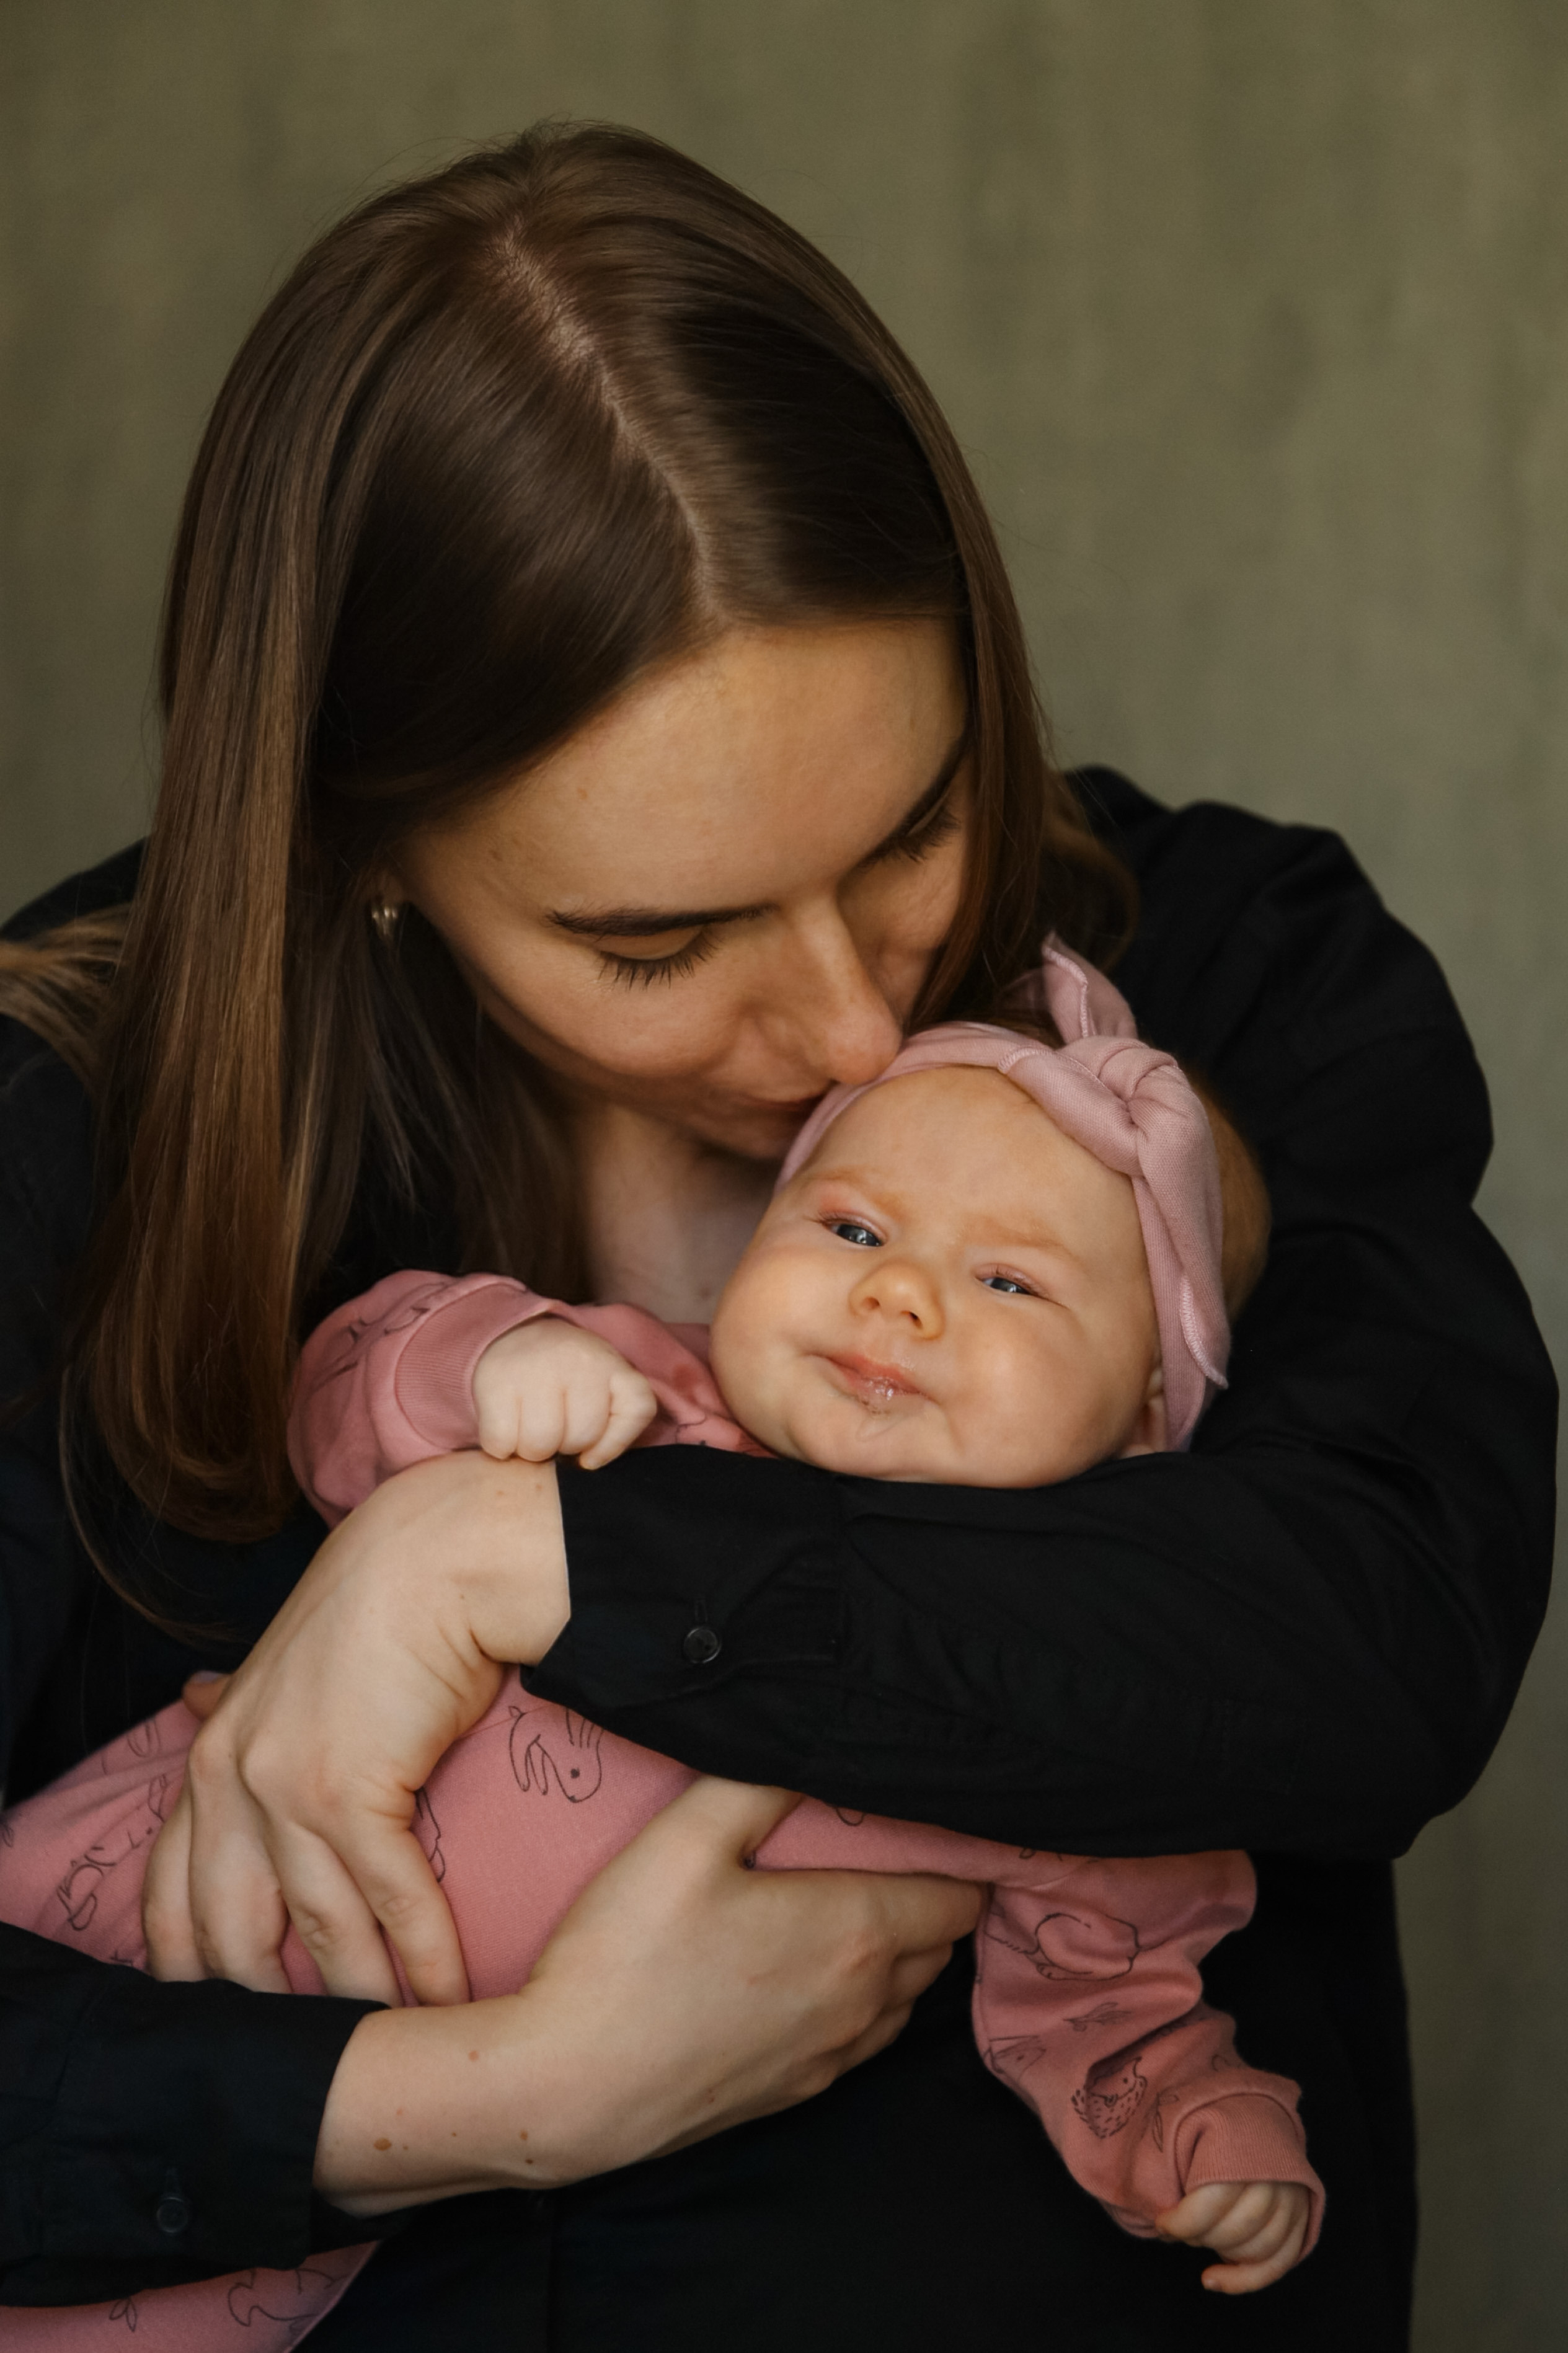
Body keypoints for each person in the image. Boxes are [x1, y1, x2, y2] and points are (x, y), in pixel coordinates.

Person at [0, 122, 1552, 2353]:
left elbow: (1380, 1624)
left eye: (914, 821)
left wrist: (515, 1560)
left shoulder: (1232, 976)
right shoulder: (76, 1116)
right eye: (660, 939)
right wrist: (490, 2095)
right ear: (359, 843)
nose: (852, 1019)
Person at [2, 983, 1326, 2347]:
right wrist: (493, 1356)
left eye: (1007, 1279)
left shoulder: (1050, 1692)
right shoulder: (645, 1403)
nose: (894, 1289)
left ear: (1142, 1416)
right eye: (852, 1226)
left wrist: (1196, 2132)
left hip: (320, 2134)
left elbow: (1104, 1994)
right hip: (125, 1871)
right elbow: (340, 1383)